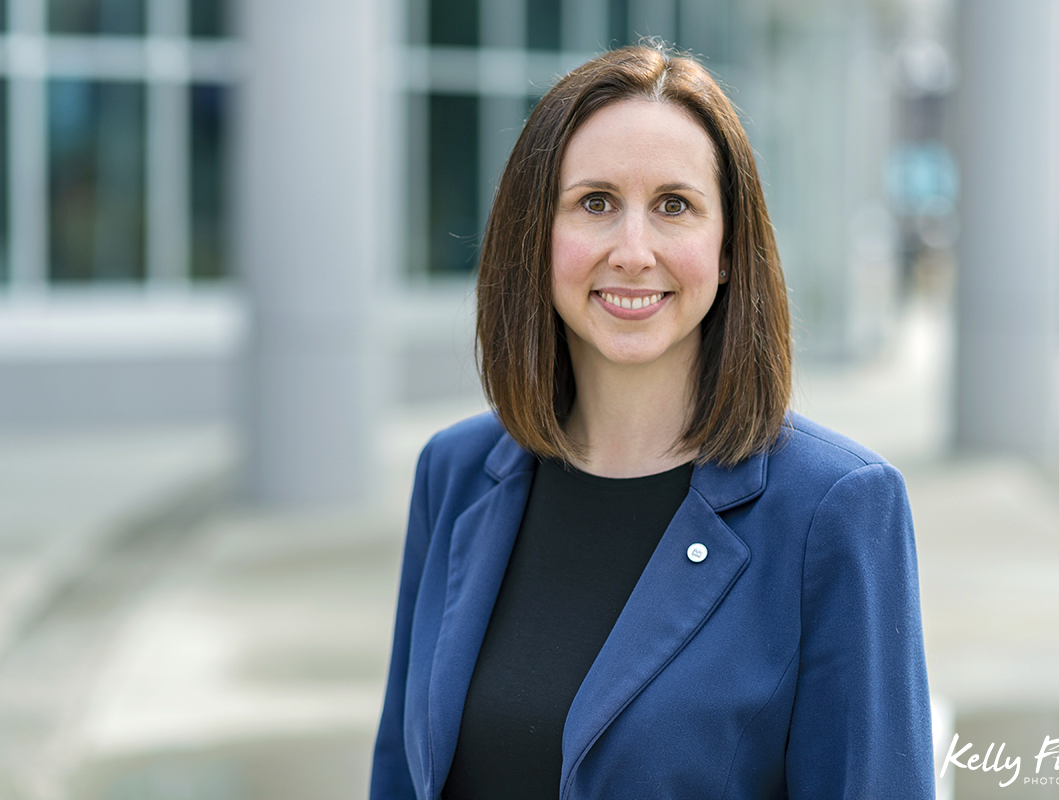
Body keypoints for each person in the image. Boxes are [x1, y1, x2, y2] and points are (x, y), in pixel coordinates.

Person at [371, 43, 935, 800]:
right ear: (537, 236)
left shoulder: (836, 510)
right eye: (595, 202)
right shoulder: (454, 474)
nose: (633, 252)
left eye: (674, 205)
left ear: (729, 247)